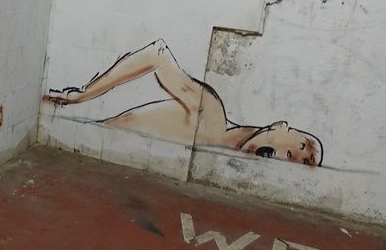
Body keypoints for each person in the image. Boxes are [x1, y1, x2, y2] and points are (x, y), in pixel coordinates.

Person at [43, 39, 323, 166]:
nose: (284, 154)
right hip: (77, 148)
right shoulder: (211, 115)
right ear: (278, 125)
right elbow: (157, 55)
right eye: (295, 147)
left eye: (294, 160)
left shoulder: (222, 159)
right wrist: (81, 95)